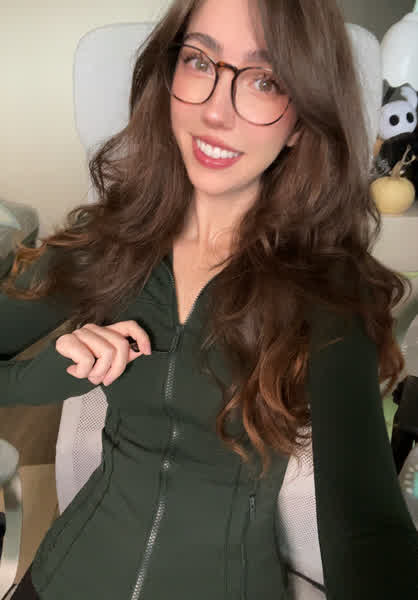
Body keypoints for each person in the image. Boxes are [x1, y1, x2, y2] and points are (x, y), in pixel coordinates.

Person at [1, 0, 417, 598]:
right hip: (60, 579)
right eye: (199, 61)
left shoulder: (328, 290)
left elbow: (367, 525)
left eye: (266, 80)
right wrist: (39, 376)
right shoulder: (107, 245)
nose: (216, 111)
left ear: (303, 120)